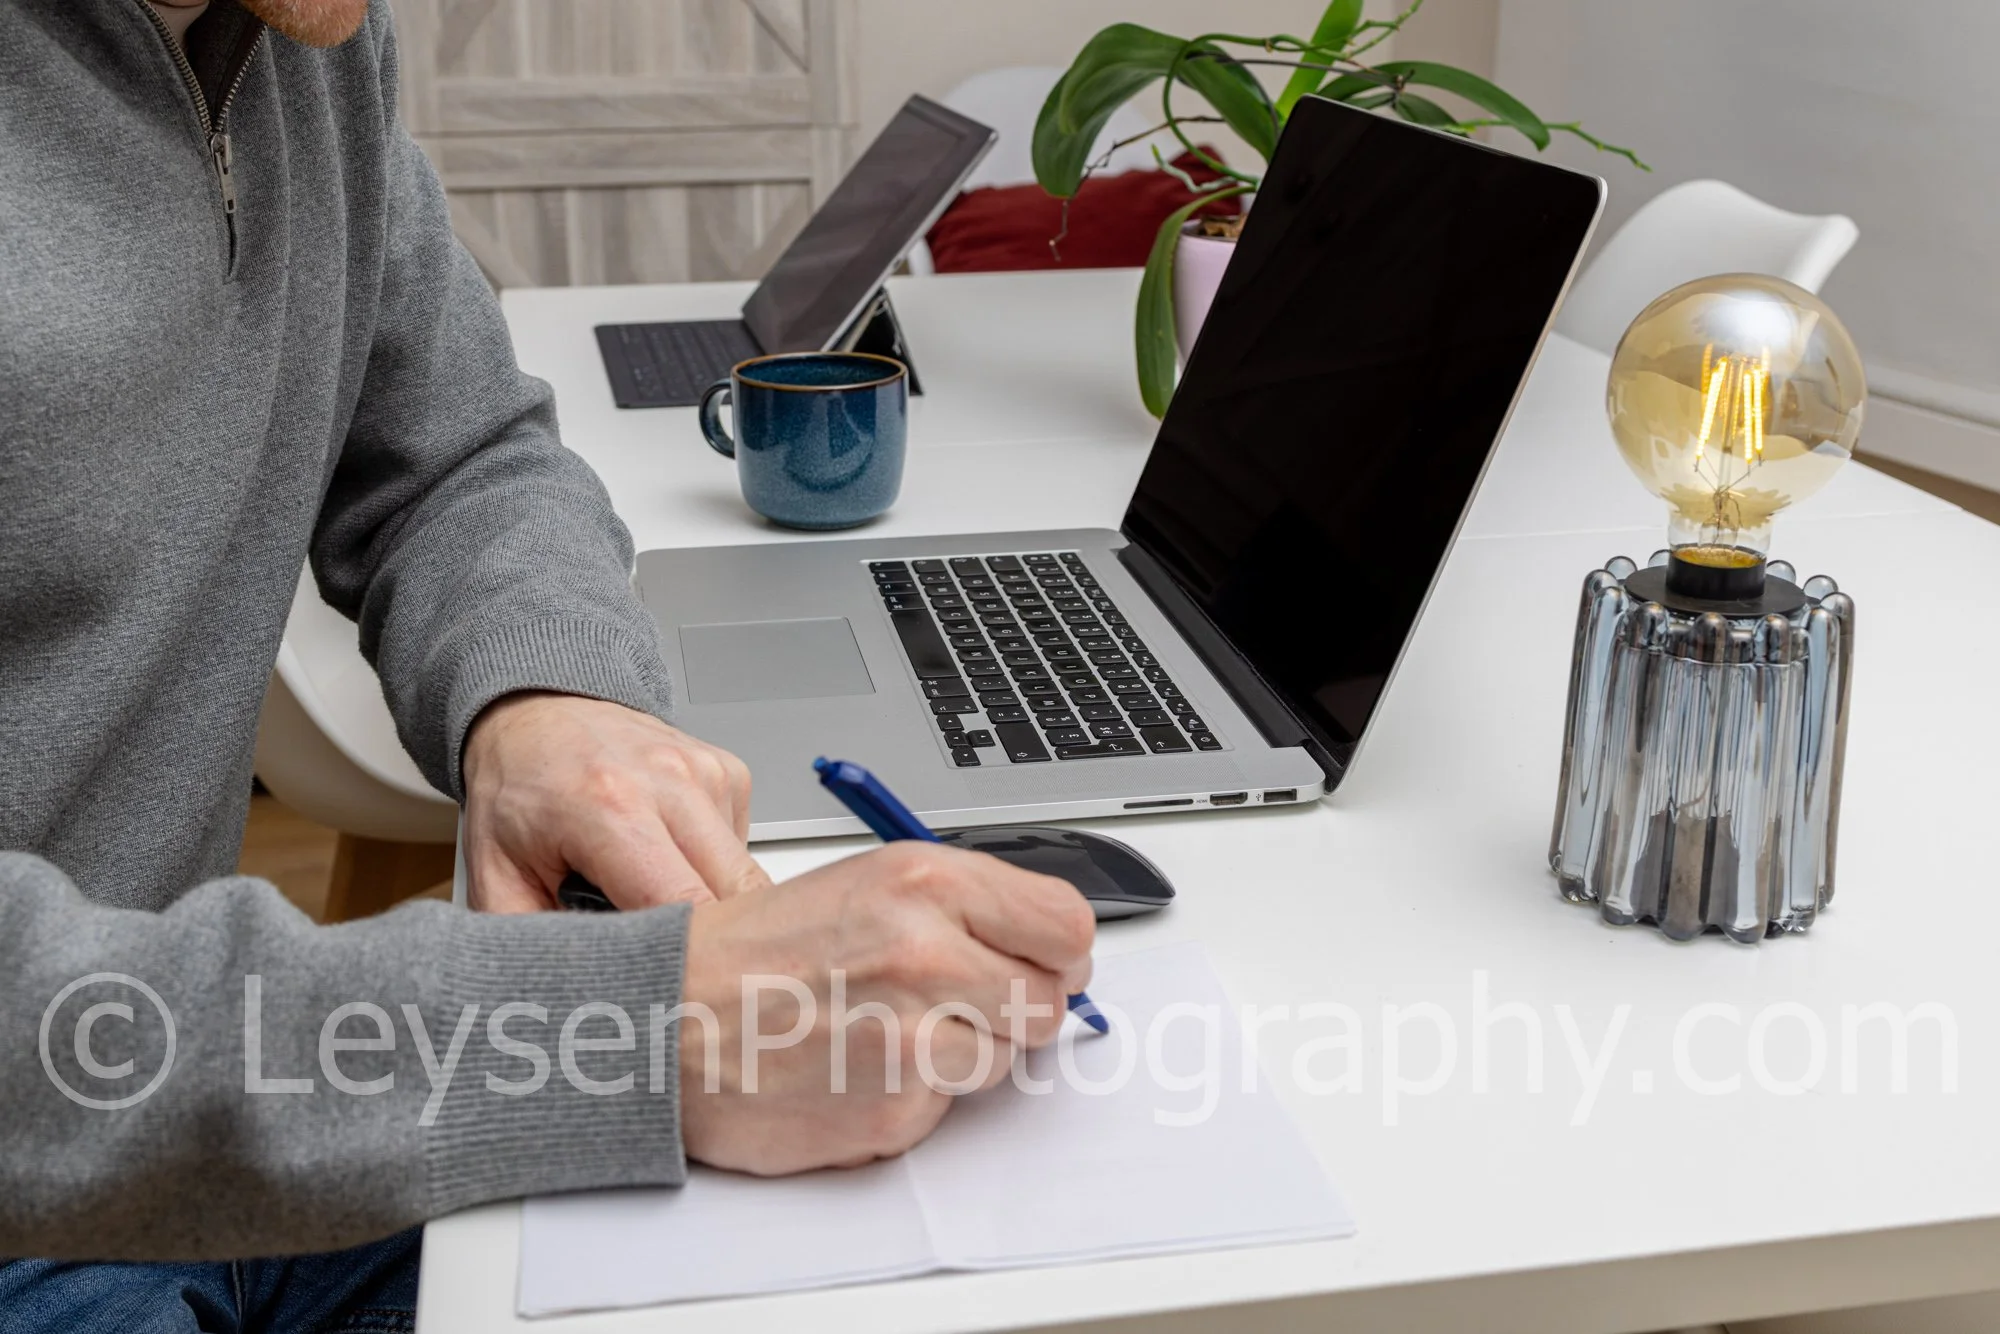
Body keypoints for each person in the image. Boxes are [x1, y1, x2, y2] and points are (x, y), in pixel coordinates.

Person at [0, 0, 1096, 1328]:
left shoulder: (306, 49)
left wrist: (544, 698)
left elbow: (462, 454)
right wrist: (601, 1037)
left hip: (208, 1093)